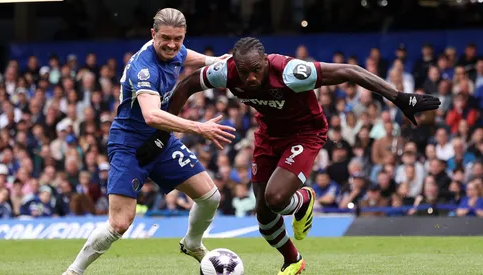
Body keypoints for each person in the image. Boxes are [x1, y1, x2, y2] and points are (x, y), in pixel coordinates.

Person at [168, 37, 441, 275]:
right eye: (243, 71)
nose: (249, 78)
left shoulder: (290, 72)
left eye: (255, 70)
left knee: (275, 198)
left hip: (305, 133)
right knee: (262, 210)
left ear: (264, 61)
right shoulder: (226, 73)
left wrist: (398, 97)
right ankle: (293, 260)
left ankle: (304, 199)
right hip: (268, 135)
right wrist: (164, 125)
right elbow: (188, 84)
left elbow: (350, 71)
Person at [63, 8, 235, 275]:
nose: (172, 44)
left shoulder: (175, 48)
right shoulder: (144, 68)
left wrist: (212, 60)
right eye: (165, 37)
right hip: (129, 144)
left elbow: (185, 54)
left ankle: (192, 243)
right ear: (153, 34)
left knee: (210, 197)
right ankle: (74, 271)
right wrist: (199, 128)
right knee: (119, 223)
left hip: (160, 141)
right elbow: (152, 115)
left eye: (178, 38)